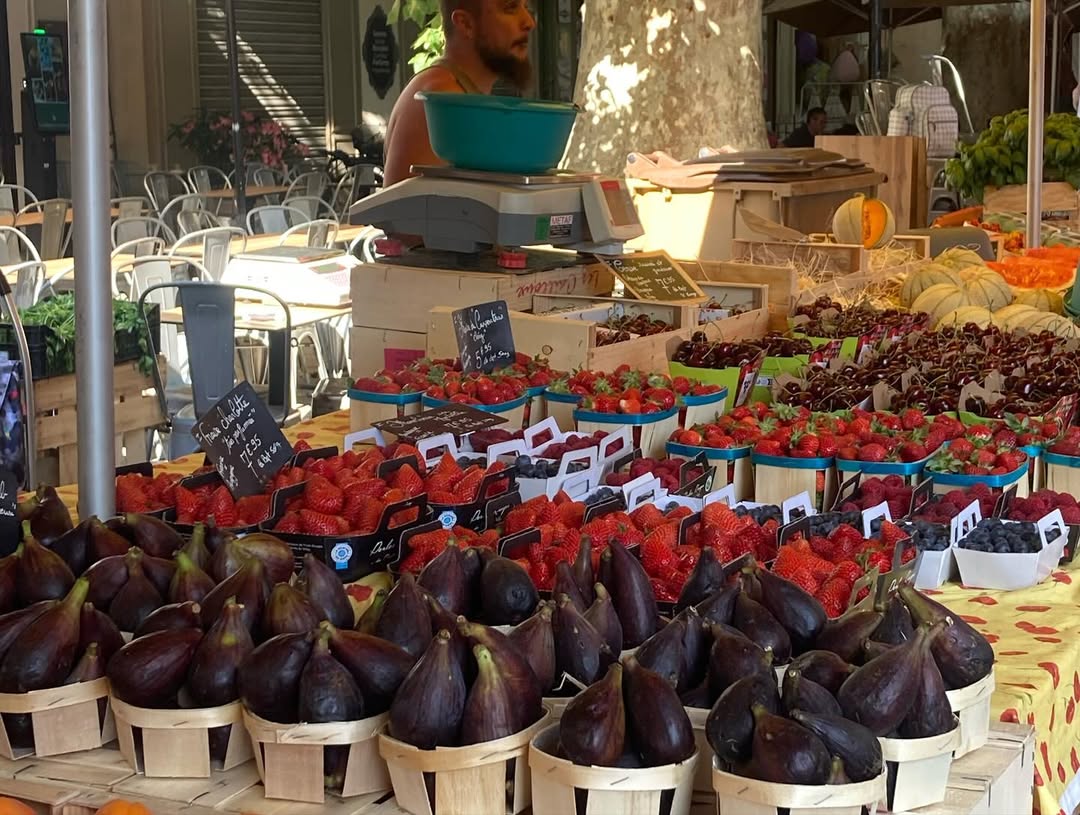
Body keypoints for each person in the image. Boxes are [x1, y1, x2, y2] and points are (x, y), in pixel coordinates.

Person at [382, 0, 536, 186]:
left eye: (526, 7)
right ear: (465, 24)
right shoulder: (442, 101)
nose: (529, 22)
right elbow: (408, 204)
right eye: (510, 8)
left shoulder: (458, 96)